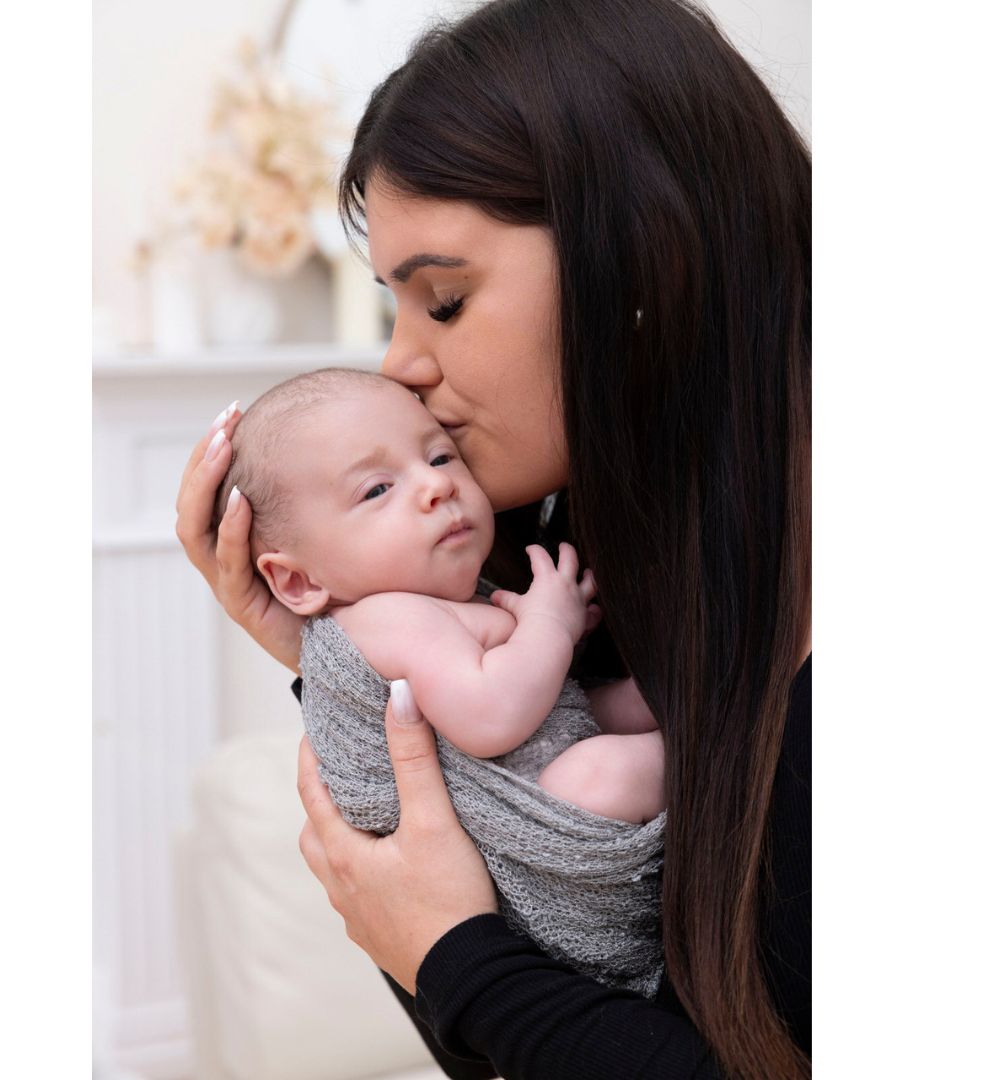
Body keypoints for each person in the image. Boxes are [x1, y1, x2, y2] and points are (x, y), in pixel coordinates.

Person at [176, 0, 810, 1077]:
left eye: (445, 301)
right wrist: (345, 666)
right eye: (396, 308)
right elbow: (519, 1027)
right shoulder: (584, 567)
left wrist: (458, 959)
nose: (400, 365)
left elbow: (489, 986)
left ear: (649, 255)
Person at [210, 367, 664, 825]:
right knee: (598, 777)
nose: (437, 485)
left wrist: (547, 634)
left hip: (544, 750)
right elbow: (493, 716)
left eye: (441, 457)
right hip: (529, 811)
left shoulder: (442, 601)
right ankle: (710, 754)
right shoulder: (385, 619)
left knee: (644, 699)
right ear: (298, 582)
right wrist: (550, 626)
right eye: (378, 489)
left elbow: (549, 705)